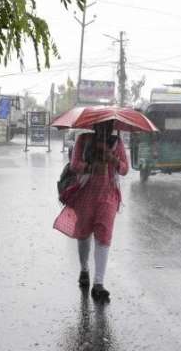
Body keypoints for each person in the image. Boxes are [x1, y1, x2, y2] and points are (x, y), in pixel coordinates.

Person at [53, 120, 128, 302]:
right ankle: (84, 269)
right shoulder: (83, 139)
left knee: (104, 236)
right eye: (101, 126)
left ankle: (99, 283)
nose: (105, 129)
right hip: (85, 193)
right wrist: (91, 166)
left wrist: (113, 159)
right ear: (94, 126)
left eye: (109, 126)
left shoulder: (117, 143)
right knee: (84, 234)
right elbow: (74, 165)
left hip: (108, 196)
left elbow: (125, 169)